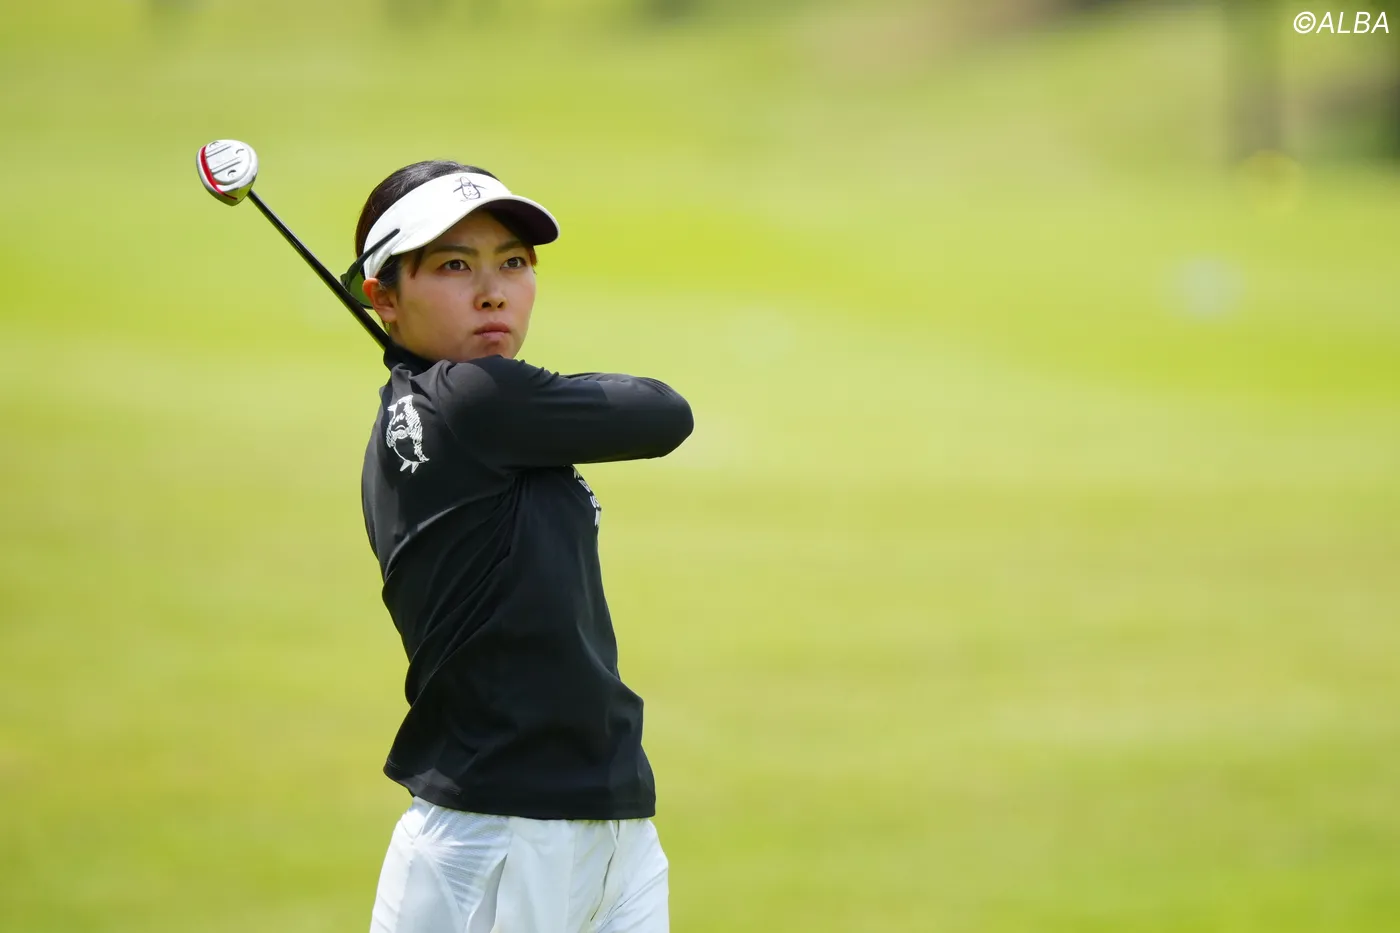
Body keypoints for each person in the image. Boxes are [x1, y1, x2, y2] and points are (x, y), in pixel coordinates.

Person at [344, 159, 694, 932]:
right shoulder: (475, 398)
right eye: (454, 265)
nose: (493, 291)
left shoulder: (439, 408)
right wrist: (538, 390)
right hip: (498, 838)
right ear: (383, 299)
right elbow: (666, 412)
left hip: (602, 819)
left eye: (513, 262)